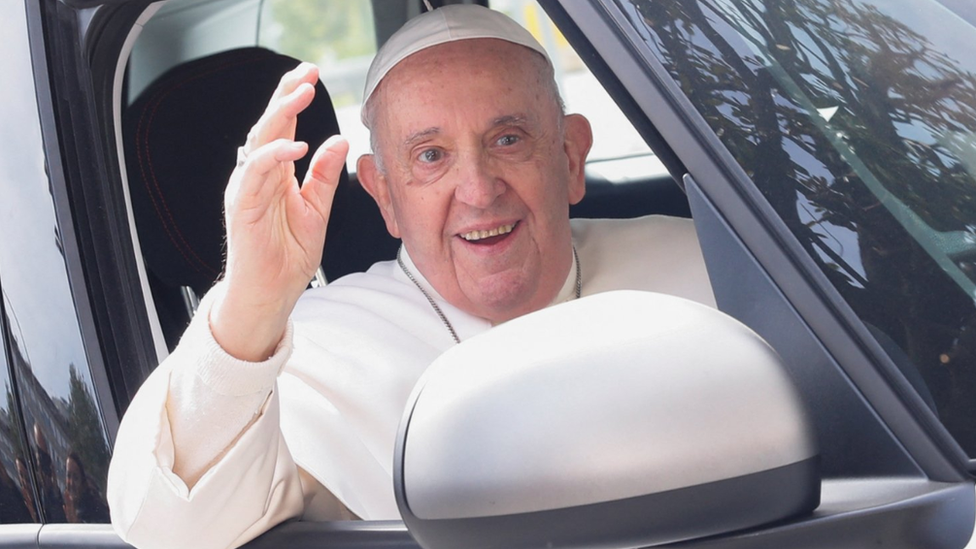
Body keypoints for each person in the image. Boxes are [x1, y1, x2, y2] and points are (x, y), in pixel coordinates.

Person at [107, 5, 715, 549]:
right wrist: (253, 304)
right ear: (384, 196)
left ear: (570, 155)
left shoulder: (713, 264)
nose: (478, 191)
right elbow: (173, 530)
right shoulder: (310, 351)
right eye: (431, 156)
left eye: (508, 139)